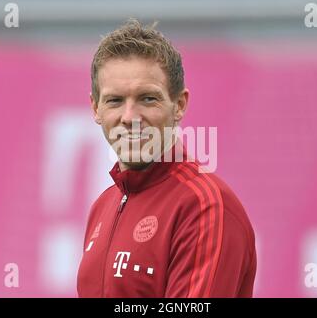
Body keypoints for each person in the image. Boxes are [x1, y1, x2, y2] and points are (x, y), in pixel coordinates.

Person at [77, 19, 256, 298]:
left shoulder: (205, 206)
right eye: (114, 101)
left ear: (179, 105)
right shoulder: (102, 205)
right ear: (95, 108)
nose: (130, 117)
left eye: (148, 98)